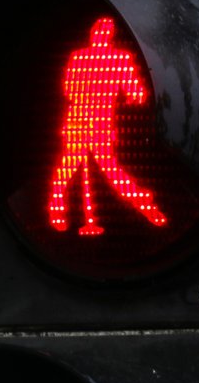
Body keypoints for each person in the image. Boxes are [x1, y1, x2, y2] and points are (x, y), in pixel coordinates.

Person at [48, 16, 167, 236]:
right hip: (96, 126)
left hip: (80, 123)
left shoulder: (79, 57)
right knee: (107, 173)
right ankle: (145, 205)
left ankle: (58, 210)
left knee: (69, 171)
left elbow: (67, 90)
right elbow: (138, 95)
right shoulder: (119, 59)